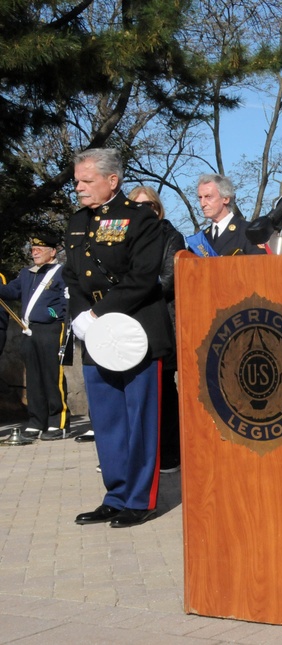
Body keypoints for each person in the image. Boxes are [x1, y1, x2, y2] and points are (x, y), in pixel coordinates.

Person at [64, 148, 173, 528]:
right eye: (76, 180)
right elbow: (72, 275)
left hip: (134, 331)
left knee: (139, 419)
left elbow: (143, 277)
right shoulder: (77, 221)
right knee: (107, 419)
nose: (78, 187)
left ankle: (140, 500)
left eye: (86, 180)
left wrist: (97, 312)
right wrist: (80, 314)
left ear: (112, 181)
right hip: (94, 334)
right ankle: (115, 495)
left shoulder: (141, 219)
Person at [128, 186, 184, 473]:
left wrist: (128, 294)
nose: (143, 210)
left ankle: (170, 453)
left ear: (158, 208)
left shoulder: (171, 236)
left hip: (161, 322)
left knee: (163, 392)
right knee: (134, 394)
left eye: (148, 205)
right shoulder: (125, 239)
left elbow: (168, 280)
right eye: (136, 206)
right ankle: (138, 455)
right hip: (128, 325)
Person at [0, 232, 72, 440]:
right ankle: (36, 420)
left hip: (51, 330)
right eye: (32, 249)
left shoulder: (61, 272)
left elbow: (66, 303)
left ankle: (57, 422)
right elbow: (10, 292)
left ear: (52, 251)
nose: (35, 252)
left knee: (52, 377)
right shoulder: (26, 274)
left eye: (40, 249)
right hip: (29, 331)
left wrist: (51, 315)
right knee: (33, 378)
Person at [197, 174, 265, 256]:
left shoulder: (249, 233)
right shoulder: (201, 239)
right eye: (200, 197)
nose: (202, 203)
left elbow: (260, 265)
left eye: (208, 197)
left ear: (225, 199)